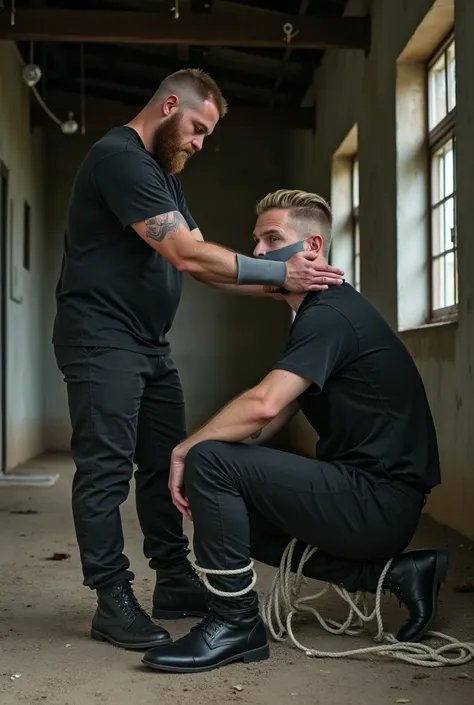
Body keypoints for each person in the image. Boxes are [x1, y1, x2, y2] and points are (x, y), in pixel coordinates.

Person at [52, 70, 344, 651]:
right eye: (198, 129)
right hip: (101, 340)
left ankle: (175, 580)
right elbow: (187, 254)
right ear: (168, 106)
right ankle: (112, 599)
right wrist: (280, 271)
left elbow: (210, 265)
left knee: (164, 463)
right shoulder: (120, 159)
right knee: (105, 472)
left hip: (149, 343)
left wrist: (294, 287)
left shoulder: (163, 177)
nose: (200, 143)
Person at [142, 189, 447, 674]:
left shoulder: (329, 316)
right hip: (375, 500)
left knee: (207, 460)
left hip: (378, 502)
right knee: (229, 505)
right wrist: (216, 470)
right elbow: (271, 422)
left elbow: (264, 407)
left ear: (312, 248)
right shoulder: (321, 313)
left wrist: (187, 450)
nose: (259, 253)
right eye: (256, 241)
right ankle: (396, 574)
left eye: (271, 239)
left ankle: (235, 622)